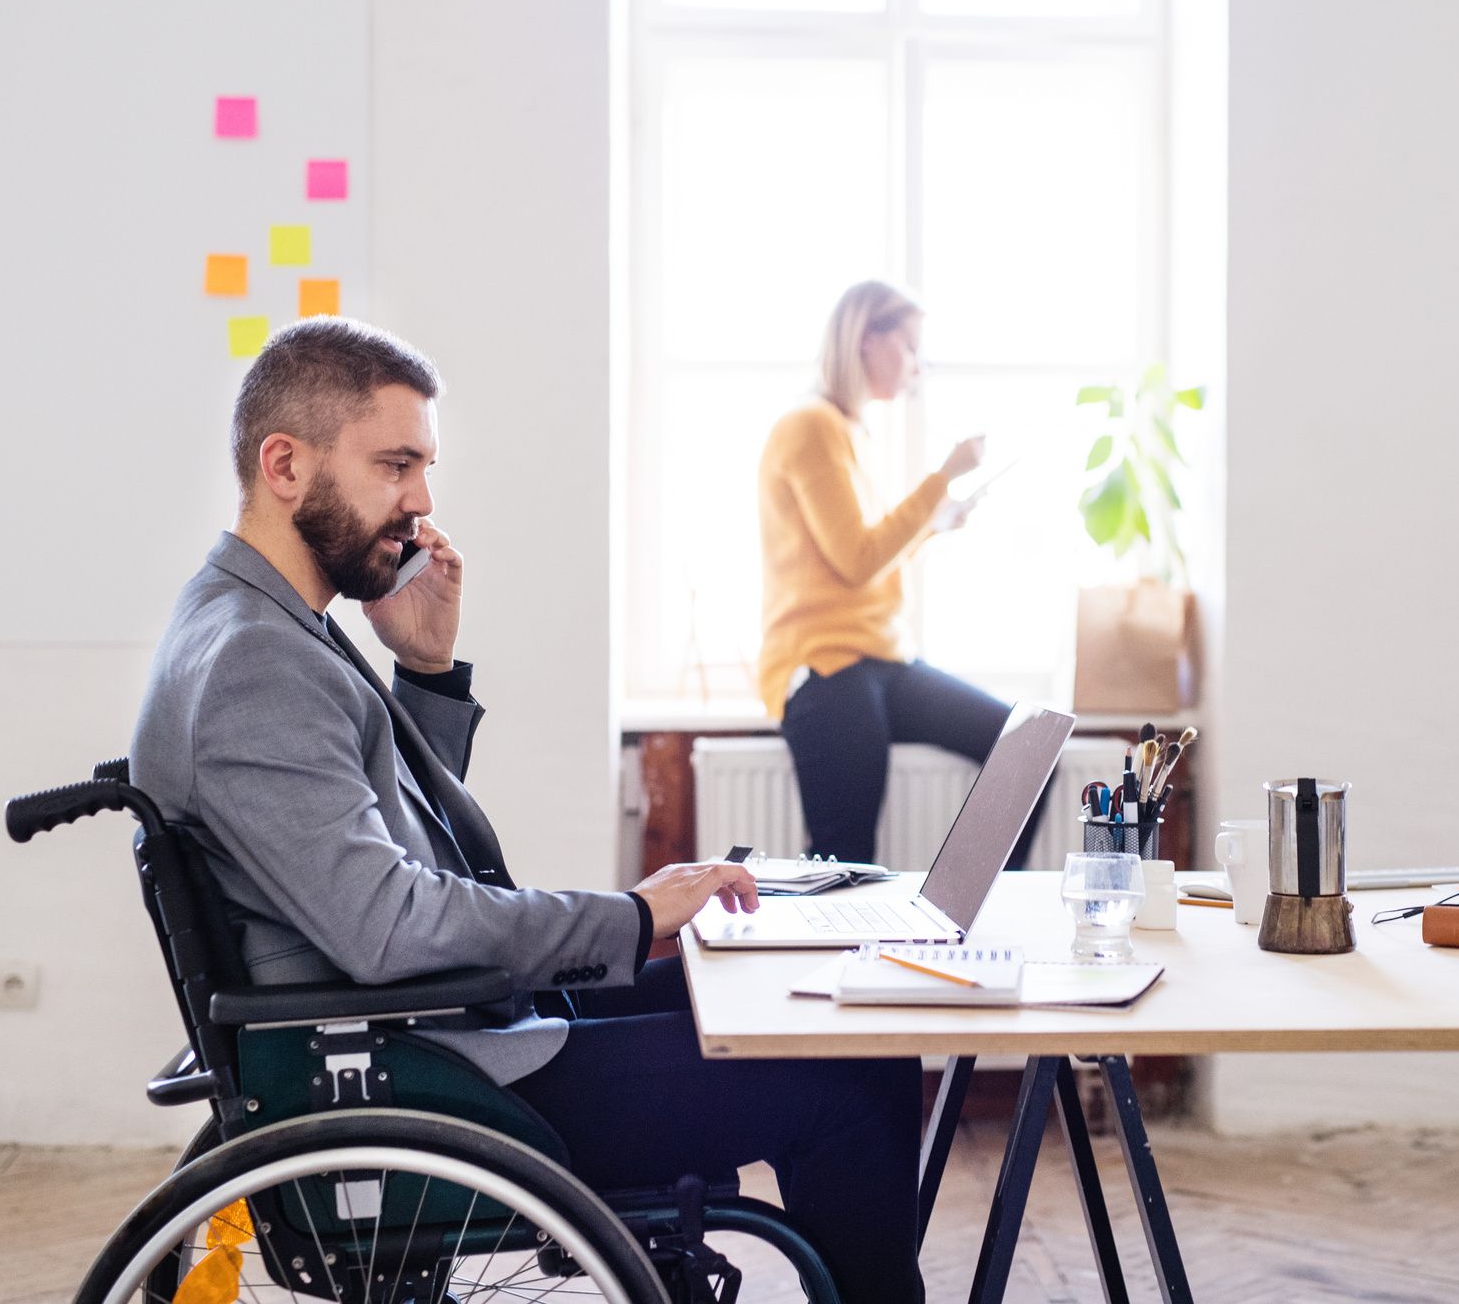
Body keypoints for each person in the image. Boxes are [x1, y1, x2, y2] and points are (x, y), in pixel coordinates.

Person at [131, 317, 924, 1302]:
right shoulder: (258, 660)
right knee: (847, 1082)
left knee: (819, 1018)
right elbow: (389, 922)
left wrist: (420, 668)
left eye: (424, 466)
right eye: (394, 464)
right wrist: (633, 916)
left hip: (423, 1033)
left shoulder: (262, 622)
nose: (421, 500)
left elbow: (391, 838)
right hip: (414, 1069)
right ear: (284, 464)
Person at [759, 280, 1048, 865]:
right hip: (826, 666)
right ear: (867, 338)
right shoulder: (810, 426)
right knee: (846, 859)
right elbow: (858, 559)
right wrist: (942, 477)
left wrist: (932, 526)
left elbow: (862, 559)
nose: (918, 364)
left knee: (1026, 748)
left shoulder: (853, 433)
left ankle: (962, 912)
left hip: (883, 660)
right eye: (910, 346)